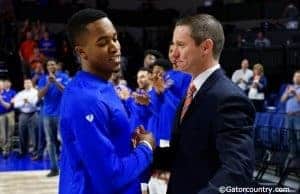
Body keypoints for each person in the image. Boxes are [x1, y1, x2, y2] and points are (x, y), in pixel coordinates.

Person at [60, 9, 155, 194]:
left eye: (115, 38)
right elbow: (110, 177)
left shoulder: (104, 87)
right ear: (82, 52)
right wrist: (146, 147)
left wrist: (130, 139)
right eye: (103, 42)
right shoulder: (85, 99)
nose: (115, 47)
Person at [167, 14, 255, 194]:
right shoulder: (194, 90)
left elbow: (238, 171)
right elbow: (185, 151)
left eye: (181, 45)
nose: (174, 53)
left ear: (205, 47)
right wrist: (146, 148)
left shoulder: (229, 98)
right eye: (173, 45)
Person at [38, 59, 69, 177]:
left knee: (64, 141)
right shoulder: (42, 79)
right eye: (49, 65)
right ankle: (54, 168)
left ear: (56, 66)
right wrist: (48, 84)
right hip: (47, 114)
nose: (51, 66)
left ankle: (68, 167)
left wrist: (56, 82)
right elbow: (39, 95)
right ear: (46, 67)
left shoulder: (63, 76)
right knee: (50, 142)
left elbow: (67, 91)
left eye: (53, 64)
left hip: (61, 113)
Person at [12, 79, 38, 159]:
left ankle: (35, 151)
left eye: (29, 82)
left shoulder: (36, 92)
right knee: (22, 132)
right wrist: (24, 102)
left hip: (33, 113)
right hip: (23, 114)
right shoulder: (20, 93)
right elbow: (16, 105)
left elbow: (35, 103)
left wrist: (28, 101)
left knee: (34, 133)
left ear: (32, 83)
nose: (27, 84)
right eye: (25, 83)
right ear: (24, 84)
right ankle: (23, 151)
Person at [280, 70, 300, 162]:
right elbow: (282, 100)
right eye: (295, 76)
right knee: (290, 137)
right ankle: (292, 154)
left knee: (299, 137)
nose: (296, 78)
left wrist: (295, 93)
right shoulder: (289, 87)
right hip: (288, 116)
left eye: (298, 76)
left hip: (297, 116)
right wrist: (288, 93)